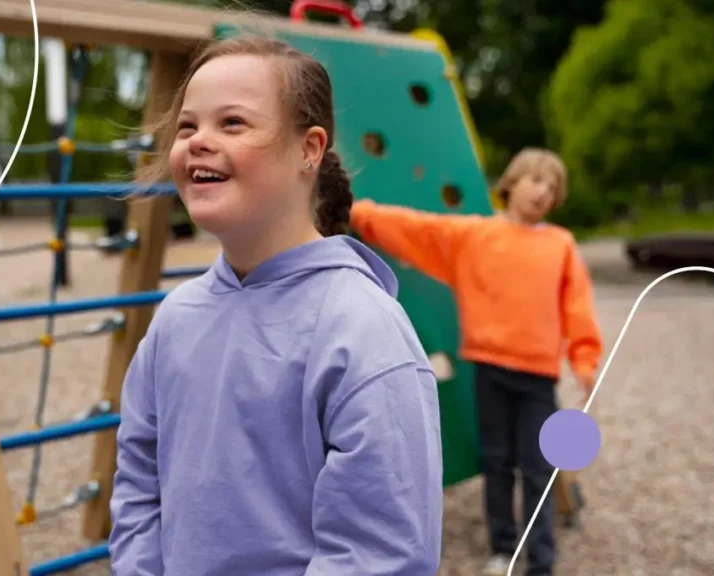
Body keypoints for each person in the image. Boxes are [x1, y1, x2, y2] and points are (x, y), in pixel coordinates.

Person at [107, 35, 444, 576]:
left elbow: (381, 553)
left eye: (232, 123)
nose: (198, 141)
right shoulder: (174, 319)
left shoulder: (362, 330)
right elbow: (139, 485)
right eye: (188, 126)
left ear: (309, 149)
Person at [349, 148, 603, 576]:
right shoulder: (474, 236)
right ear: (511, 183)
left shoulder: (560, 244)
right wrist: (360, 212)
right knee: (497, 461)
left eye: (552, 186)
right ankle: (502, 548)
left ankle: (542, 559)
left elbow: (577, 307)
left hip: (538, 376)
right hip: (489, 370)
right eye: (535, 179)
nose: (543, 191)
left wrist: (585, 359)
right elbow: (417, 229)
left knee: (538, 468)